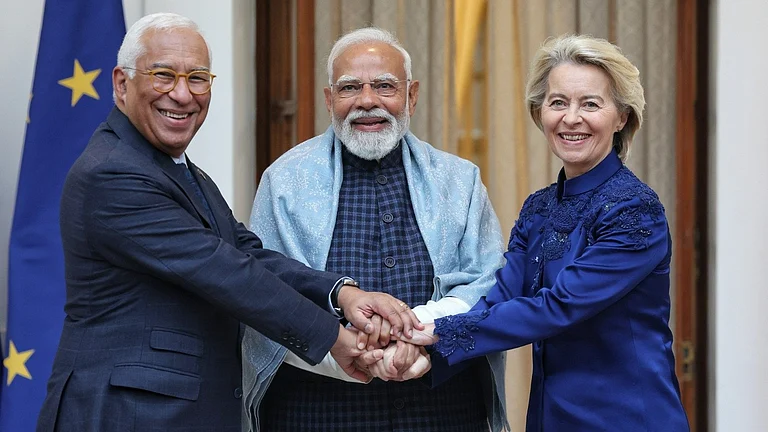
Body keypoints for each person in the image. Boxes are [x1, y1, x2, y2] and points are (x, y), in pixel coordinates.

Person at [36, 13, 420, 432]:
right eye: (163, 75)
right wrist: (336, 339)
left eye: (198, 78)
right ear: (122, 84)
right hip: (125, 415)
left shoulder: (177, 169)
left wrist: (343, 294)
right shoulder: (113, 174)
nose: (182, 94)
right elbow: (226, 273)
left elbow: (246, 253)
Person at [407, 34, 691, 431]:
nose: (571, 118)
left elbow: (559, 307)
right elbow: (502, 295)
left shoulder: (635, 210)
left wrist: (439, 334)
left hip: (626, 417)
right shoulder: (539, 207)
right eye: (558, 102)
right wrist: (419, 333)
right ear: (540, 113)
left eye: (590, 103)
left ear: (621, 117)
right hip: (549, 415)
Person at [242, 28, 509, 431]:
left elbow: (488, 283)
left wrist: (421, 338)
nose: (367, 101)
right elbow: (265, 295)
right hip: (316, 412)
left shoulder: (459, 180)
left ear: (411, 96)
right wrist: (347, 351)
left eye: (385, 86)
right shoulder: (285, 181)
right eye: (350, 88)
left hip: (441, 412)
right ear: (330, 100)